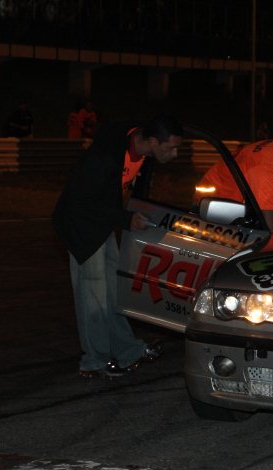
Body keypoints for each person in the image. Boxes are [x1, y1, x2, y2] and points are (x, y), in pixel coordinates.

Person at [52, 115, 183, 378]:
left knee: (113, 291)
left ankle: (127, 350)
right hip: (82, 228)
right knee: (94, 296)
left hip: (102, 223)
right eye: (170, 148)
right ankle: (94, 361)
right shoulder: (104, 158)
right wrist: (125, 218)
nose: (175, 154)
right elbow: (81, 203)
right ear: (153, 141)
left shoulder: (141, 150)